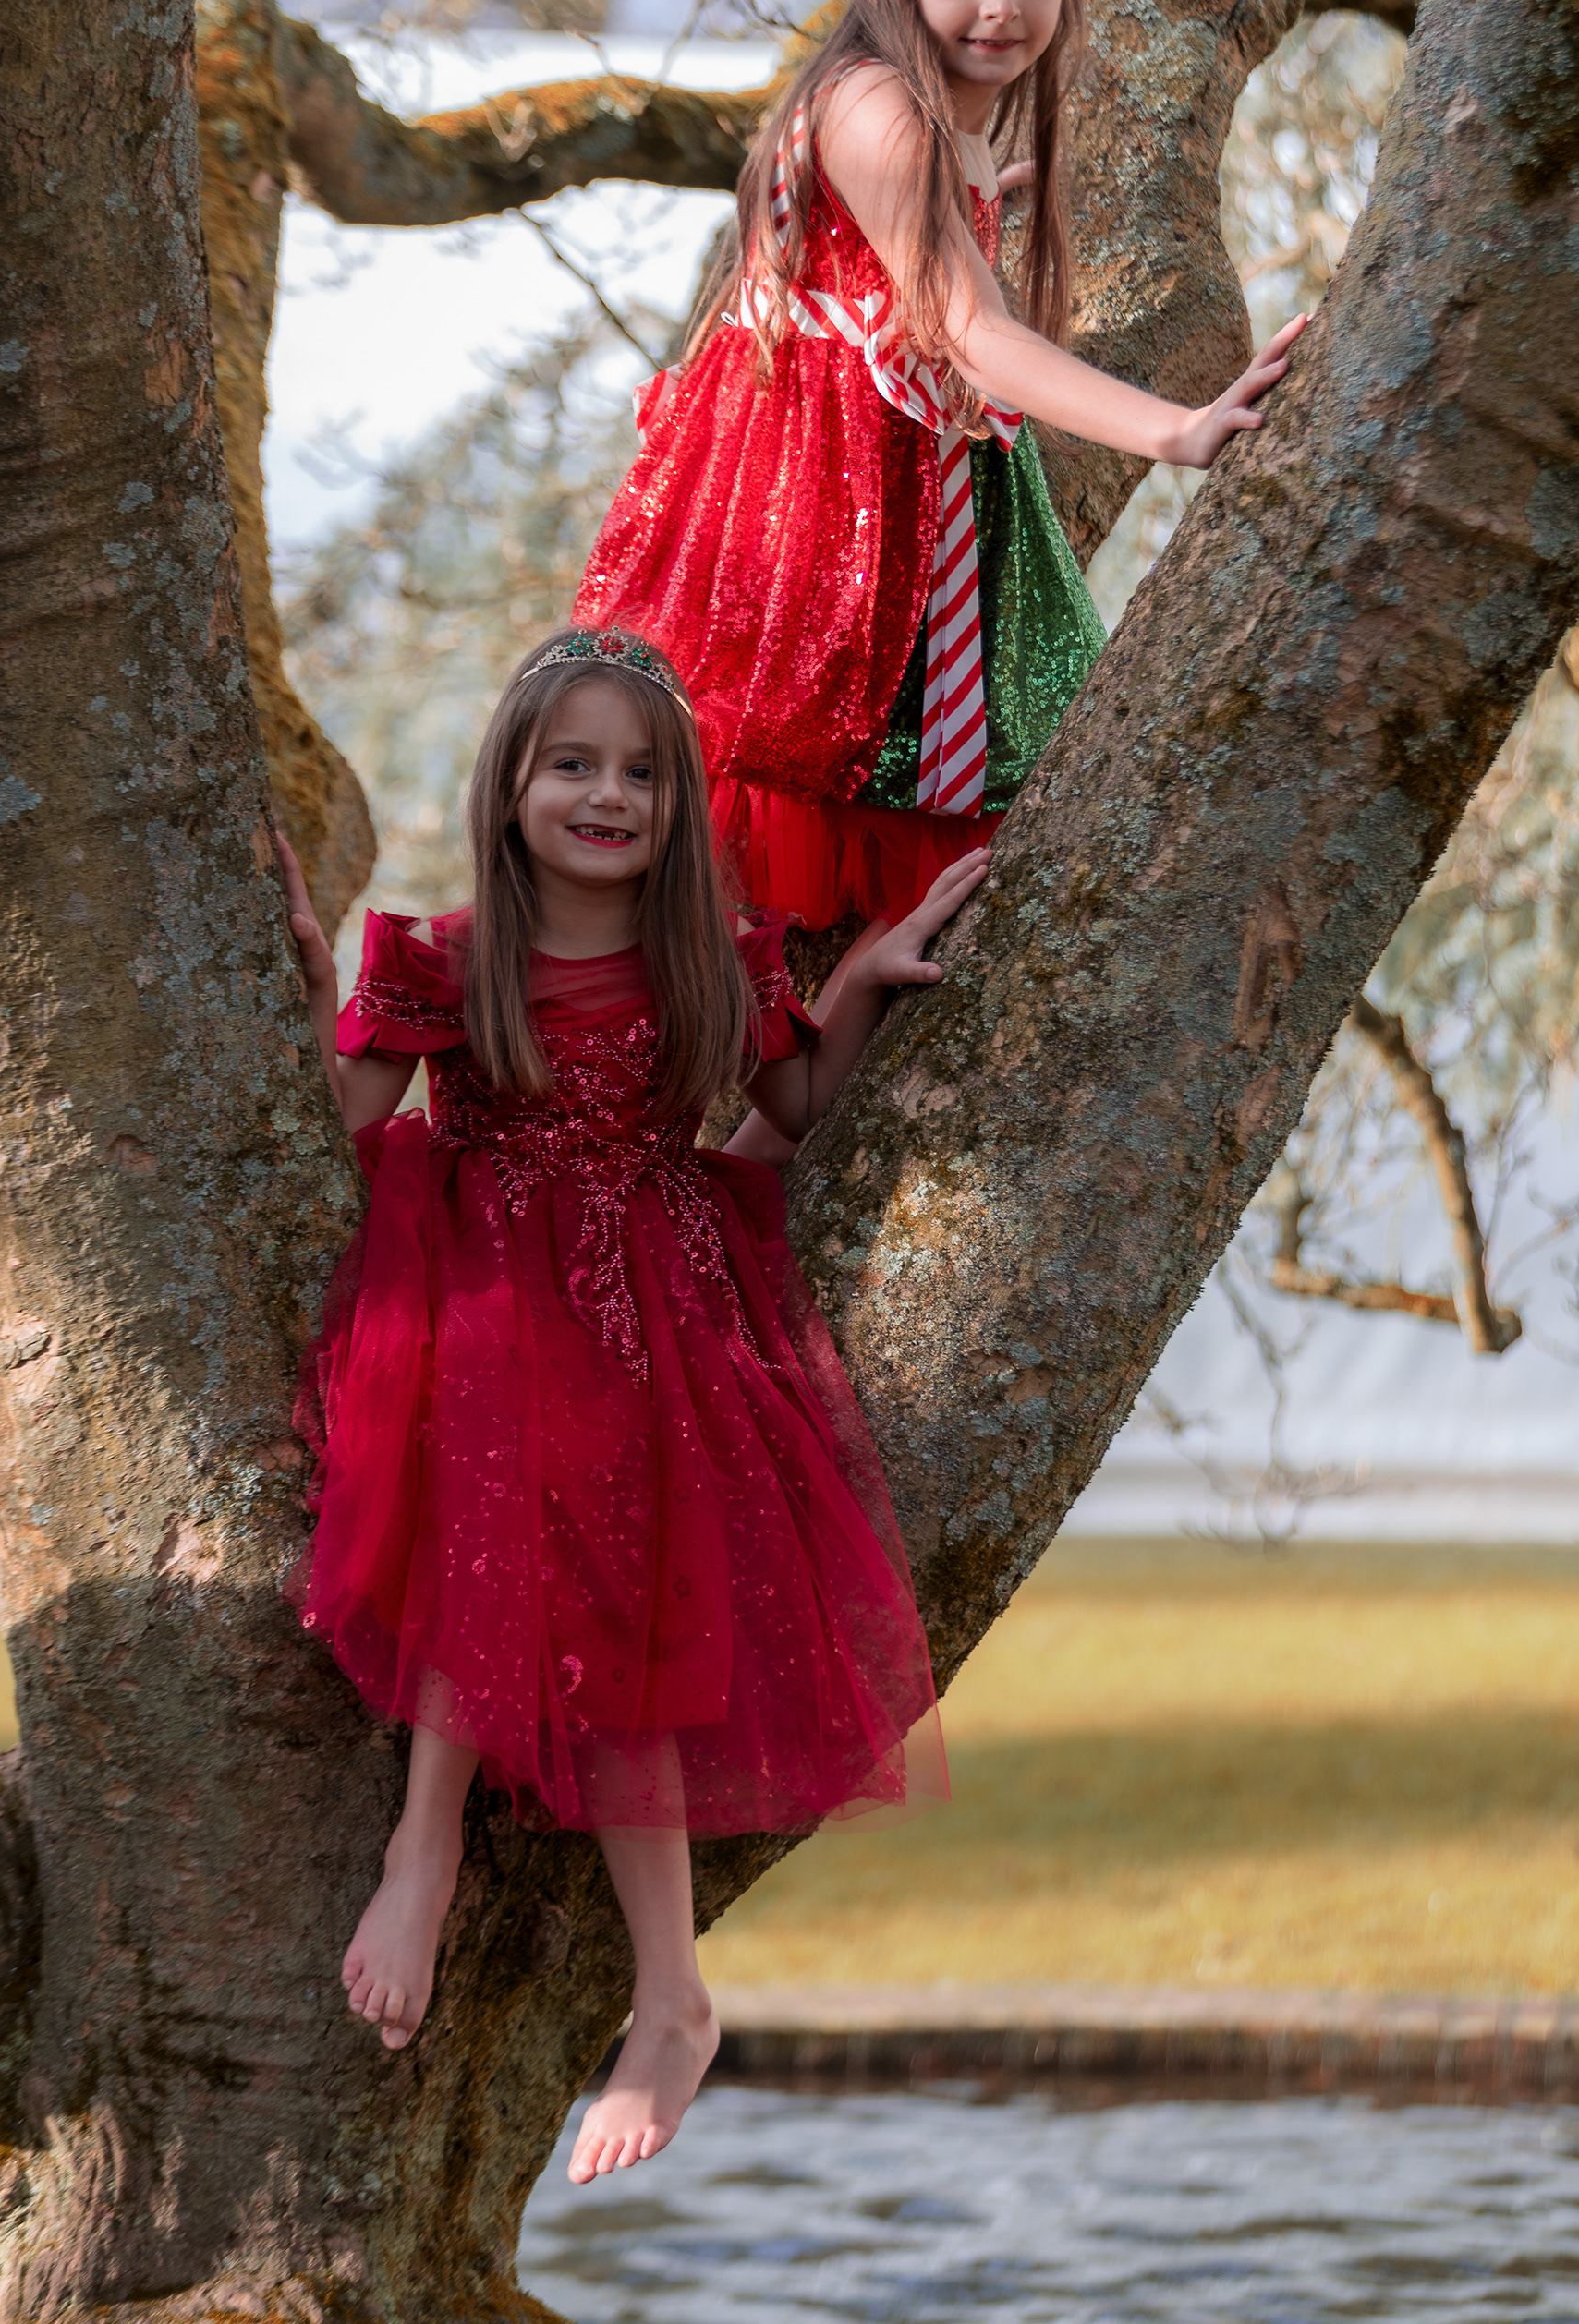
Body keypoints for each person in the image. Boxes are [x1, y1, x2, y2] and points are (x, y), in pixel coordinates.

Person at [279, 621, 986, 2184]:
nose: (607, 796)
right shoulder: (439, 960)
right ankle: (426, 1848)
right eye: (573, 765)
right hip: (478, 1310)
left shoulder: (714, 959)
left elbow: (796, 1106)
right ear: (510, 785)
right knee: (492, 1500)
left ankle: (673, 1999)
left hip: (653, 1322)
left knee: (628, 1612)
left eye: (642, 774)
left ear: (679, 806)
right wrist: (306, 998)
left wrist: (859, 980)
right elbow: (332, 1137)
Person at [572, 0, 1305, 929]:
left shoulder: (927, 119)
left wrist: (973, 202)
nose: (1002, 3)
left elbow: (898, 259)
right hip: (815, 525)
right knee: (770, 813)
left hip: (884, 490)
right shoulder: (878, 109)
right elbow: (971, 331)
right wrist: (1177, 429)